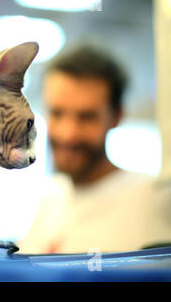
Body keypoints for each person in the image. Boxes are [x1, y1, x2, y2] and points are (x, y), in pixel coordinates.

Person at [19, 45, 171, 254]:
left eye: (87, 117)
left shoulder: (155, 200)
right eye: (57, 113)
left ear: (116, 117)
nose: (68, 134)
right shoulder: (52, 198)